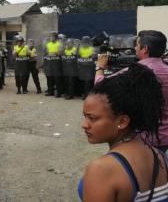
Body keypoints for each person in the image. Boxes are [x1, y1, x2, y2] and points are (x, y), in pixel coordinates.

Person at [79, 63, 168, 201]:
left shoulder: (102, 170)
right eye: (84, 116)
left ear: (122, 122)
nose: (84, 125)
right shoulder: (160, 156)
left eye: (92, 118)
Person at [96, 30, 168, 151]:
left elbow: (100, 86)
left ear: (145, 49)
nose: (135, 48)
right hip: (165, 137)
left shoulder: (135, 72)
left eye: (137, 45)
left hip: (143, 137)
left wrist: (100, 67)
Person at [44, 32, 63, 97]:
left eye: (53, 36)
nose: (52, 38)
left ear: (56, 37)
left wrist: (53, 53)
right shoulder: (48, 44)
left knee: (57, 78)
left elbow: (60, 52)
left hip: (57, 63)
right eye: (51, 36)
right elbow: (46, 53)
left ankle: (58, 92)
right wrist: (53, 53)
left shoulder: (59, 44)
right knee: (49, 77)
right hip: (49, 62)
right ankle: (50, 91)